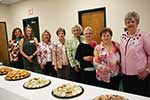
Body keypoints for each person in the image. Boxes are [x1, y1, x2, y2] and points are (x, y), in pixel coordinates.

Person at [120, 11, 150, 96]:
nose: (130, 24)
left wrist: (147, 70)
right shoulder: (123, 35)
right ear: (125, 24)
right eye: (128, 22)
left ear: (137, 22)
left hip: (139, 76)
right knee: (128, 96)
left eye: (132, 21)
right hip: (125, 75)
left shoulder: (143, 36)